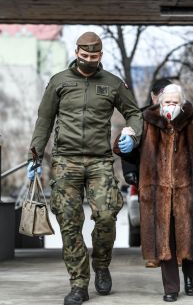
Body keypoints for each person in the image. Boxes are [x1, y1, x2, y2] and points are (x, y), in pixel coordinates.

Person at [27, 31, 142, 305]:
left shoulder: (113, 83)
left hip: (100, 161)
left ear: (101, 55)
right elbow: (44, 120)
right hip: (66, 161)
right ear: (77, 53)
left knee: (106, 215)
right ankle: (79, 283)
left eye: (95, 56)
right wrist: (34, 155)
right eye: (85, 55)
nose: (89, 60)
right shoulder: (59, 82)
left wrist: (132, 134)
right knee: (69, 222)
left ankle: (101, 264)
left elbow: (134, 113)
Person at [114, 83, 193, 302]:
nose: (171, 106)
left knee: (188, 236)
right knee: (165, 241)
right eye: (167, 102)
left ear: (182, 103)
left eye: (175, 102)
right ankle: (171, 287)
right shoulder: (146, 124)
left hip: (189, 192)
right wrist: (125, 144)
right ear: (159, 103)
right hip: (157, 194)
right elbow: (126, 151)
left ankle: (190, 276)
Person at [119, 78, 172, 268]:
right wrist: (130, 171)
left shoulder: (180, 117)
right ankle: (153, 254)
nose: (165, 100)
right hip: (148, 174)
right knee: (150, 216)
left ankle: (177, 254)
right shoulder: (140, 117)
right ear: (153, 96)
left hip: (174, 175)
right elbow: (128, 147)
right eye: (161, 96)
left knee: (175, 215)